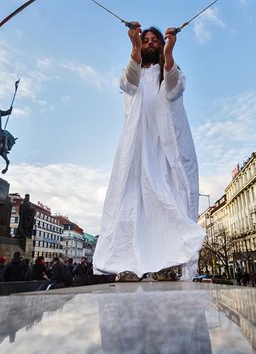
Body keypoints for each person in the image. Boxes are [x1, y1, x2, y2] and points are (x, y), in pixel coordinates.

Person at [93, 23, 205, 280]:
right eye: (147, 40)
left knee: (168, 200)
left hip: (165, 146)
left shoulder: (170, 71)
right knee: (130, 202)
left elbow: (174, 88)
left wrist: (169, 53)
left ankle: (165, 265)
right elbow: (129, 84)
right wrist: (133, 48)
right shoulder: (133, 71)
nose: (151, 42)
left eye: (155, 39)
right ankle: (128, 265)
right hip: (137, 146)